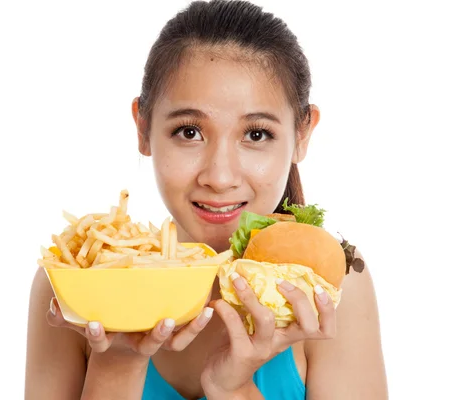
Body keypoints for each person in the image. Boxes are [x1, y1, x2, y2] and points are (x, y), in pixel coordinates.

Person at [25, 1, 388, 398]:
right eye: (189, 132)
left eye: (256, 135)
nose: (219, 177)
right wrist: (117, 364)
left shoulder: (332, 288)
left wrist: (233, 390)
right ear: (143, 128)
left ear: (302, 135)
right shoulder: (73, 284)